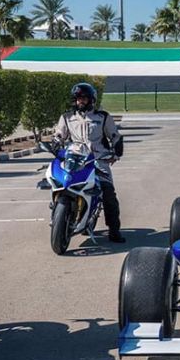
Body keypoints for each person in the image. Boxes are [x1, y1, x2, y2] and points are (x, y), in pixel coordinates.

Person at [54, 82, 126, 243]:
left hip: (98, 160)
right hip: (75, 159)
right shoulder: (67, 118)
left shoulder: (103, 117)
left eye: (84, 98)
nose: (81, 101)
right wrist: (56, 142)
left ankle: (114, 230)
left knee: (108, 194)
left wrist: (116, 151)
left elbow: (114, 136)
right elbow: (59, 134)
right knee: (62, 184)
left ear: (91, 99)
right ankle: (60, 212)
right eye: (78, 98)